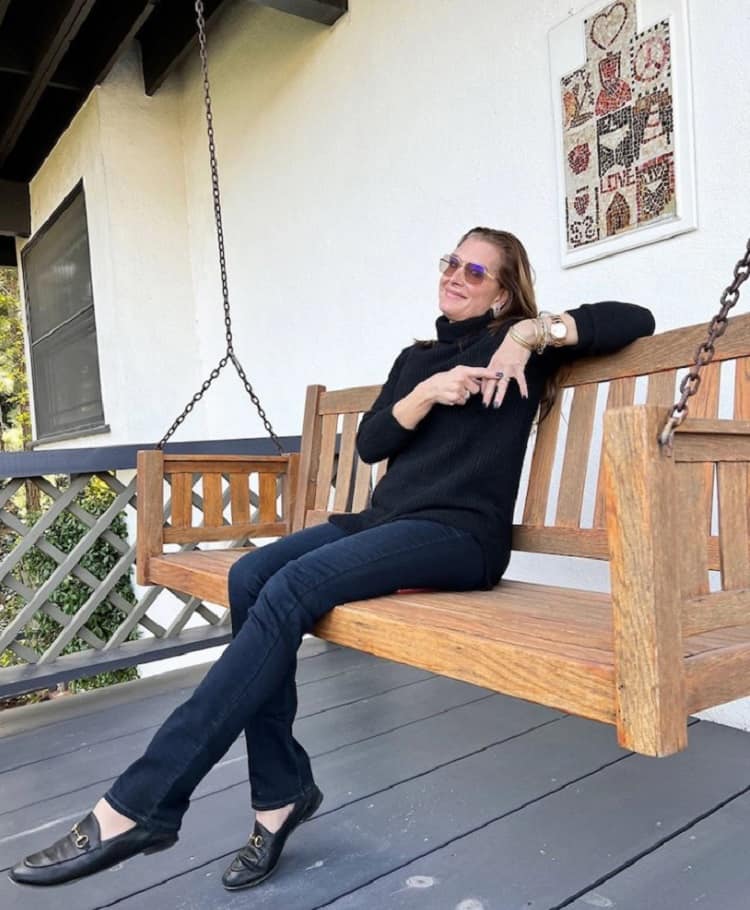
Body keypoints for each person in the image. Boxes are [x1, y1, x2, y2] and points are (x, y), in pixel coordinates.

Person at [10, 227, 655, 890]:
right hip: (382, 521)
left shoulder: (520, 347)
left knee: (290, 588)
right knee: (251, 575)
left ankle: (140, 802)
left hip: (460, 535)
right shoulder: (417, 358)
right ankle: (279, 794)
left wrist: (530, 334)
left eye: (477, 271)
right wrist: (427, 393)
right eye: (451, 262)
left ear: (501, 295)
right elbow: (374, 444)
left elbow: (636, 319)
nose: (456, 276)